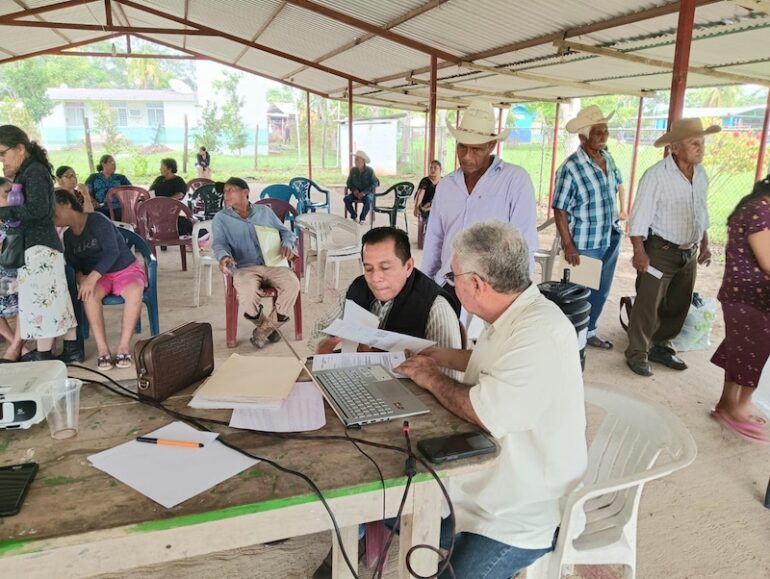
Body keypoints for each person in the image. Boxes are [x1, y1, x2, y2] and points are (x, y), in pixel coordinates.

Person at [395, 220, 587, 578]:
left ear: (477, 285)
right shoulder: (513, 313)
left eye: (454, 278)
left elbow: (484, 411)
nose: (452, 285)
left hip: (521, 513)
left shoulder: (539, 333)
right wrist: (437, 355)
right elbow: (489, 363)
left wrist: (430, 377)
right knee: (399, 507)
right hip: (488, 488)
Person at [625, 118, 720, 377]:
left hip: (688, 251)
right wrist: (639, 252)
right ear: (675, 148)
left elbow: (701, 211)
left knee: (678, 303)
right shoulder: (656, 176)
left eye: (702, 143)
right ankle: (637, 352)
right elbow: (639, 218)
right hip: (660, 251)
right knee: (648, 304)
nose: (701, 148)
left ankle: (661, 346)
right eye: (694, 143)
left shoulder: (701, 174)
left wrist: (705, 244)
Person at [422, 100, 538, 310]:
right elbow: (434, 239)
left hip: (493, 294)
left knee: (482, 343)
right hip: (447, 287)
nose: (466, 156)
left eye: (476, 149)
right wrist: (427, 286)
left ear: (491, 146)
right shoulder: (446, 185)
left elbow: (526, 245)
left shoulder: (514, 181)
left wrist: (518, 302)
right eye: (462, 147)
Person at [308, 226, 461, 354]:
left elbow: (449, 376)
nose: (375, 278)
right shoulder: (356, 289)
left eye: (385, 268)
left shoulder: (435, 307)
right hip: (355, 379)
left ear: (408, 267)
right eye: (368, 269)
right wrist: (323, 345)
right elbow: (319, 329)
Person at [0, 125, 80, 362]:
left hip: (39, 245)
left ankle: (45, 356)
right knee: (53, 300)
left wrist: (4, 212)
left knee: (42, 302)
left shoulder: (34, 172)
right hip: (38, 245)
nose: (2, 159)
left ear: (20, 148)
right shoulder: (29, 171)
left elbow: (38, 210)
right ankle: (71, 350)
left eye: (3, 153)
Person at [552, 106, 624, 350]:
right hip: (584, 242)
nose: (604, 136)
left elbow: (616, 187)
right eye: (598, 132)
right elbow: (559, 209)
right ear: (583, 137)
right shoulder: (570, 168)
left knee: (601, 290)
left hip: (609, 235)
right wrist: (568, 244)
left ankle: (589, 331)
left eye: (606, 131)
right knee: (578, 292)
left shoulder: (608, 158)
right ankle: (570, 338)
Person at [54, 190, 147, 371]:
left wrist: (91, 279)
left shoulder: (97, 220)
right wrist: (81, 277)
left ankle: (123, 346)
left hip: (124, 270)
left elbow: (112, 252)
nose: (51, 215)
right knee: (88, 295)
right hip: (98, 278)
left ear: (65, 204)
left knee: (135, 290)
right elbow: (74, 262)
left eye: (52, 208)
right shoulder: (68, 236)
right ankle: (103, 349)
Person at [710, 175, 770, 442]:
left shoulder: (757, 206)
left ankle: (727, 404)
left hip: (746, 294)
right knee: (754, 350)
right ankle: (740, 408)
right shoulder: (760, 211)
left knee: (741, 346)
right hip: (750, 295)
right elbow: (768, 262)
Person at [213, 177, 300, 349]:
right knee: (246, 291)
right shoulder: (221, 218)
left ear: (245, 192)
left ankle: (263, 331)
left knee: (292, 284)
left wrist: (287, 244)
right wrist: (224, 257)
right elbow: (219, 244)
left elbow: (286, 233)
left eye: (231, 190)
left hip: (273, 264)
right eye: (225, 191)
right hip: (245, 268)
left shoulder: (264, 212)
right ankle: (269, 327)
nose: (226, 194)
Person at [0, 177, 28, 362]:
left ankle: (16, 346)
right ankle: (18, 344)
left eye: (14, 192)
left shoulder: (22, 220)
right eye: (6, 193)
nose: (12, 197)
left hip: (21, 271)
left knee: (26, 299)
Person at [149, 158, 193, 236]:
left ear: (169, 169)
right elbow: (150, 192)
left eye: (162, 167)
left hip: (170, 210)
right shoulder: (159, 179)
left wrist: (165, 202)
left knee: (185, 224)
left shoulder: (178, 181)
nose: (160, 169)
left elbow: (180, 194)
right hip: (156, 210)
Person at [85, 154, 131, 221]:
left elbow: (131, 191)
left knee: (121, 217)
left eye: (115, 163)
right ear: (103, 164)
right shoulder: (93, 177)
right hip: (100, 207)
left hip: (118, 208)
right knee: (96, 217)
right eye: (111, 162)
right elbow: (85, 192)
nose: (114, 165)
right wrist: (92, 200)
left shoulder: (121, 178)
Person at [343, 150, 378, 225]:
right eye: (355, 160)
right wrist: (354, 190)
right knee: (346, 199)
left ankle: (362, 218)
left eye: (357, 160)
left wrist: (364, 192)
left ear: (363, 161)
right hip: (356, 193)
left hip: (367, 193)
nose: (355, 162)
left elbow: (375, 183)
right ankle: (354, 216)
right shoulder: (353, 170)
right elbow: (349, 182)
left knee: (368, 199)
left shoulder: (370, 171)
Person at [413, 159, 442, 223]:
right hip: (424, 204)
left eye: (435, 168)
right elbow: (420, 195)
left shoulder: (443, 181)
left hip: (436, 204)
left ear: (440, 170)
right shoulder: (425, 180)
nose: (432, 170)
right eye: (431, 168)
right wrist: (416, 208)